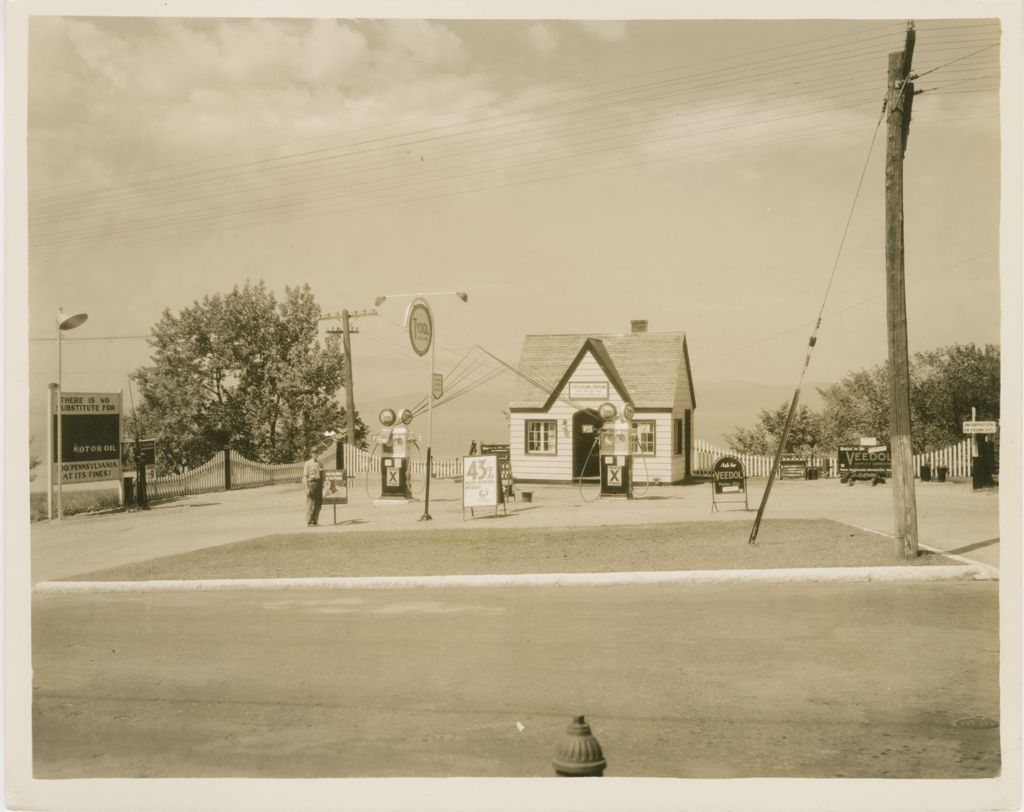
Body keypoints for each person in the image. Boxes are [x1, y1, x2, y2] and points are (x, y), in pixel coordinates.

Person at [302, 450, 325, 526]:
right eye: (314, 453)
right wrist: (306, 488)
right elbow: (305, 477)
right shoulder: (308, 463)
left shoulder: (320, 463)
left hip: (319, 484)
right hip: (311, 483)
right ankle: (309, 522)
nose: (316, 454)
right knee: (310, 503)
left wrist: (323, 484)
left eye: (317, 453)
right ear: (311, 454)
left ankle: (315, 521)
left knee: (318, 503)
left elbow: (323, 474)